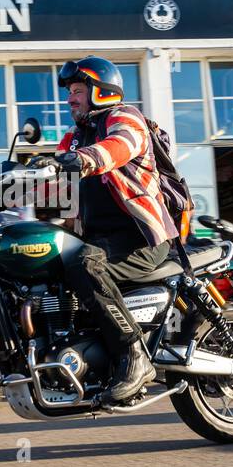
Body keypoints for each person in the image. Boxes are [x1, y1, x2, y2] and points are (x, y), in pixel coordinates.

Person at [43, 56, 177, 404]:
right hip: (101, 240)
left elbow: (120, 146)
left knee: (85, 264)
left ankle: (135, 357)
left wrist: (85, 159)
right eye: (69, 92)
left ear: (100, 91)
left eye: (77, 90)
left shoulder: (124, 117)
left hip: (140, 238)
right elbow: (54, 189)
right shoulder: (72, 138)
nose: (70, 98)